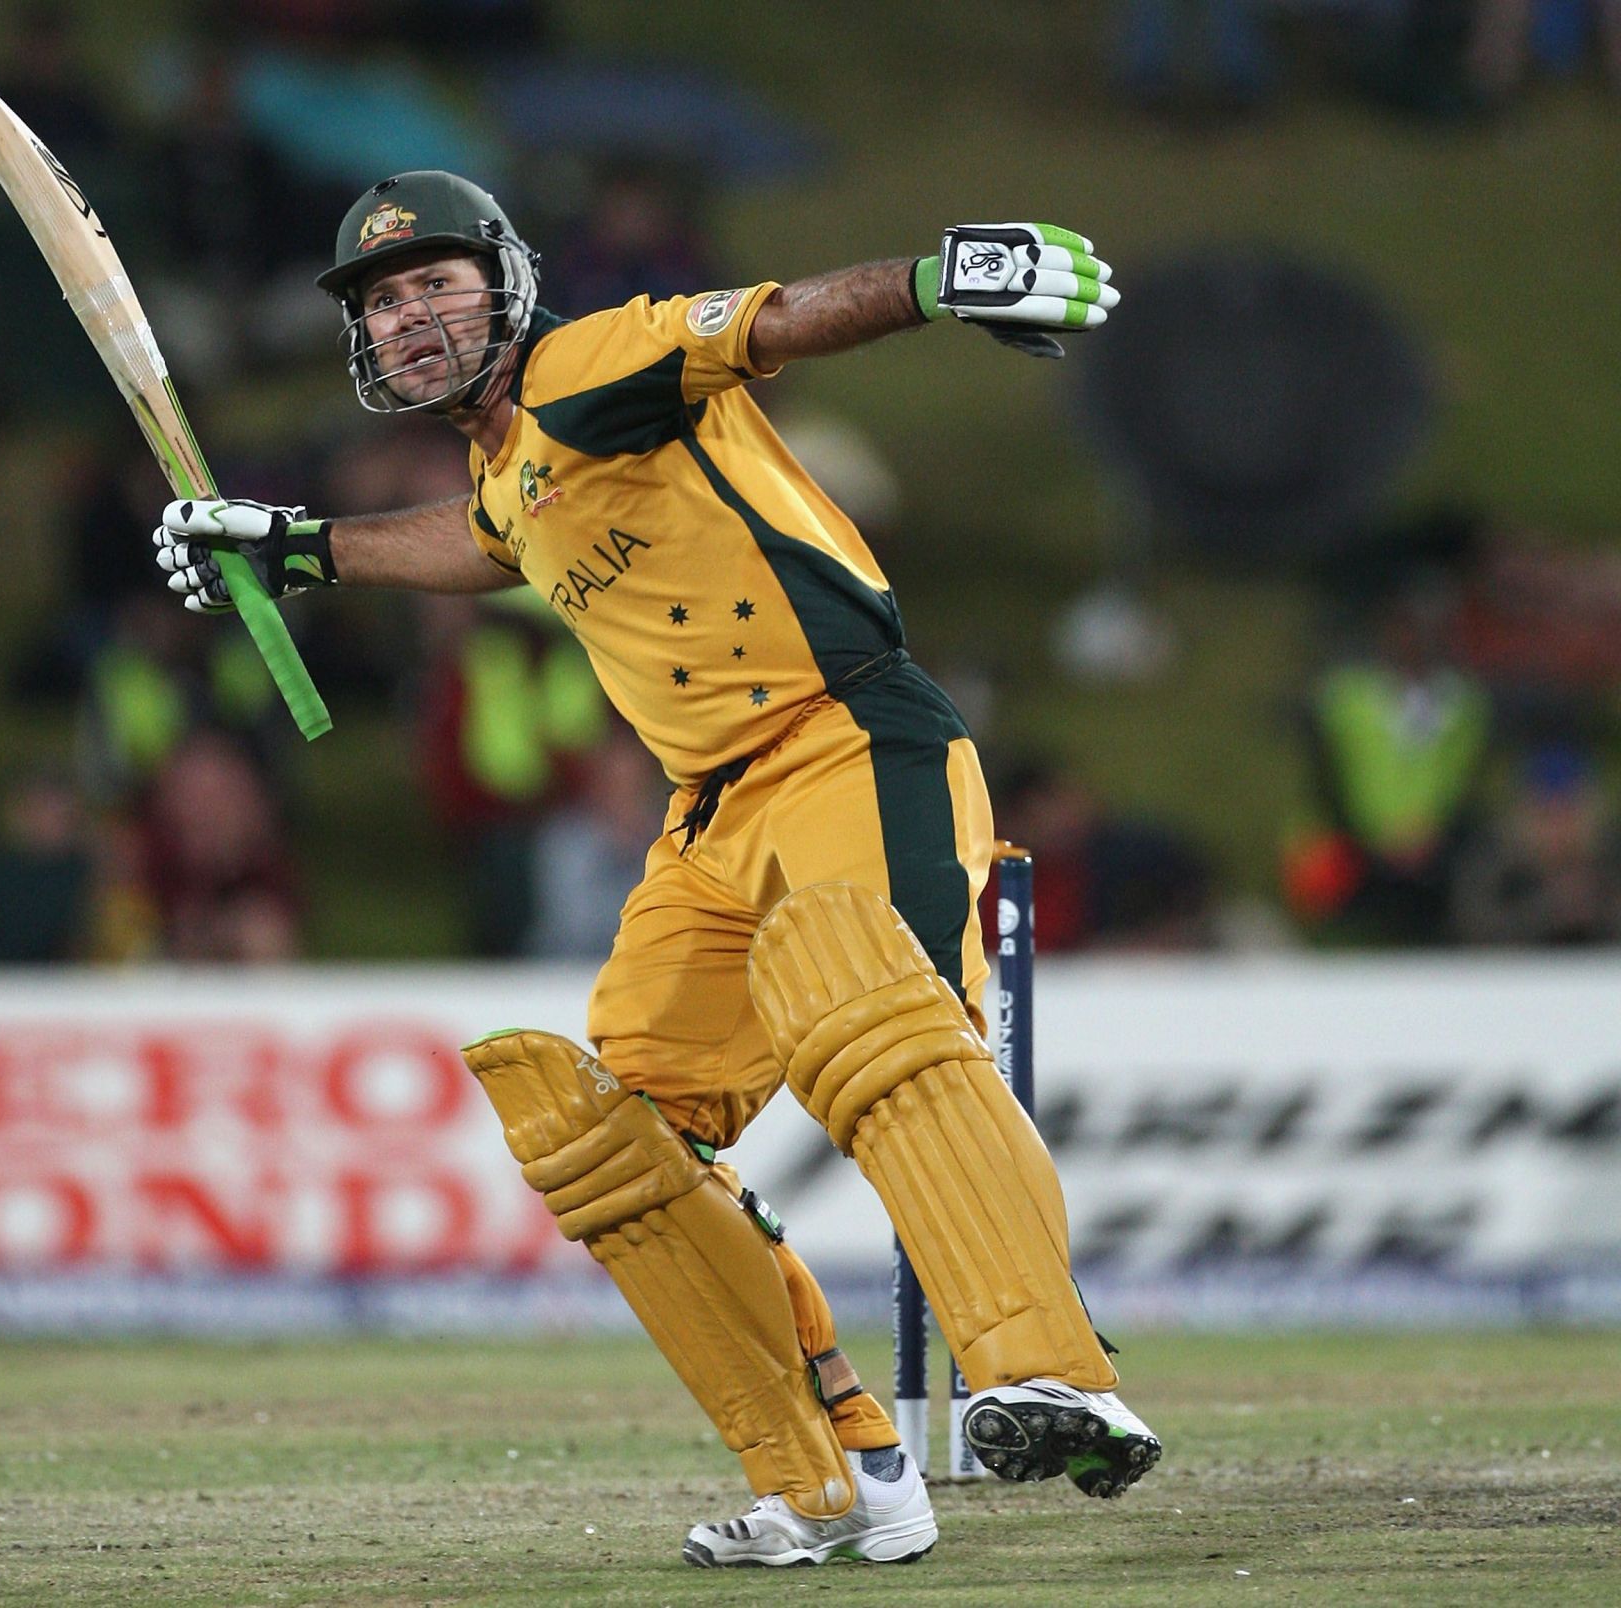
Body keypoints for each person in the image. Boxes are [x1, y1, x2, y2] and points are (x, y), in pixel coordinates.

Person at [151, 171, 1157, 1569]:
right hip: (710, 814)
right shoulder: (510, 455)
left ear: (504, 279)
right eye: (384, 301)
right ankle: (847, 1474)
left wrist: (938, 281)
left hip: (848, 736)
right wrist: (301, 546)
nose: (411, 314)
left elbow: (774, 321)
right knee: (615, 1135)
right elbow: (496, 541)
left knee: (874, 1020)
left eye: (437, 281)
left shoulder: (589, 361)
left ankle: (1053, 1375)